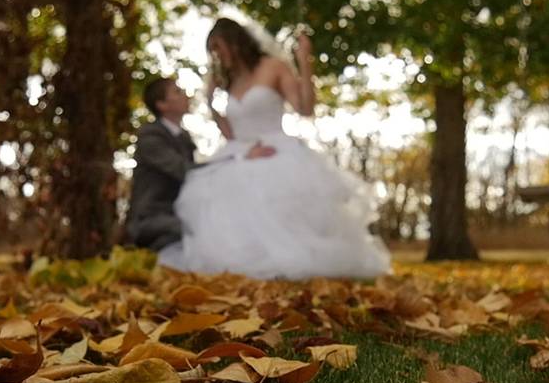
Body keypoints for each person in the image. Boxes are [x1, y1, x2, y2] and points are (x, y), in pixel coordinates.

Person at [157, 18, 391, 280]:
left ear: (235, 43)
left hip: (275, 148)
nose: (216, 56)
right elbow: (231, 133)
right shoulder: (230, 81)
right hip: (239, 153)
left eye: (218, 47)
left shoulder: (274, 67)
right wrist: (212, 104)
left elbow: (304, 109)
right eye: (212, 50)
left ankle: (293, 263)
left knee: (276, 200)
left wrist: (304, 61)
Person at [125, 77, 275, 251]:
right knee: (204, 232)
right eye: (177, 92)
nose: (186, 96)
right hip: (151, 218)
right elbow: (186, 171)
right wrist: (239, 158)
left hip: (178, 214)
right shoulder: (150, 137)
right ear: (162, 105)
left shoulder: (183, 137)